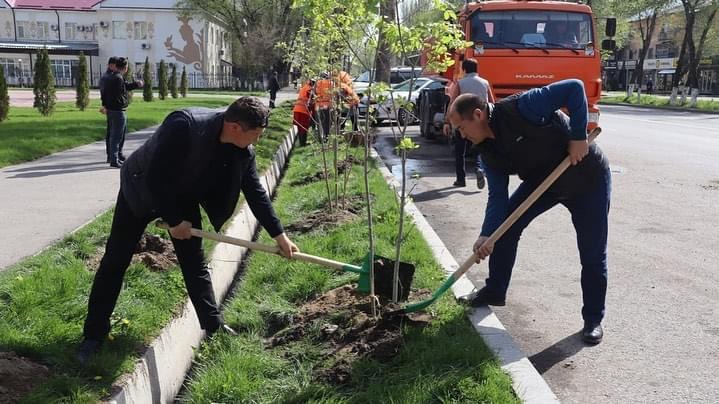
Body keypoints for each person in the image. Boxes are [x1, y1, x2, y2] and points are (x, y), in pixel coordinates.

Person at [77, 97, 300, 364]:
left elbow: (255, 192)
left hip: (183, 196)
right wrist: (174, 221)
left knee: (195, 265)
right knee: (115, 260)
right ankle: (93, 336)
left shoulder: (241, 150)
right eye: (257, 135)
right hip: (141, 188)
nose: (258, 141)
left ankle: (213, 326)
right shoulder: (184, 125)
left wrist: (280, 235)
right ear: (236, 128)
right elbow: (156, 177)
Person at [446, 79, 611, 345]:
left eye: (462, 128)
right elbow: (497, 197)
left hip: (586, 177)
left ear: (477, 115)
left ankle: (593, 319)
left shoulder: (523, 107)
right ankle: (495, 289)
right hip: (543, 184)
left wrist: (579, 136)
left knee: (592, 253)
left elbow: (574, 88)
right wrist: (487, 234)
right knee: (505, 229)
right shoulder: (487, 152)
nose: (462, 136)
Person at [444, 58, 494, 189]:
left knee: (460, 151)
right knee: (479, 149)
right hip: (480, 121)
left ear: (464, 69)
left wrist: (447, 121)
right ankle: (479, 169)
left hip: (463, 122)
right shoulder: (485, 82)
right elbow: (491, 102)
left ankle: (461, 179)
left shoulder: (461, 83)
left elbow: (453, 102)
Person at [104, 57, 143, 168]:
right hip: (118, 111)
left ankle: (116, 157)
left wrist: (136, 84)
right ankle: (114, 159)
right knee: (117, 136)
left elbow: (125, 87)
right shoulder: (118, 78)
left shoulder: (114, 77)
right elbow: (122, 91)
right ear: (125, 68)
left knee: (117, 135)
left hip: (113, 110)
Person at [99, 56, 117, 163]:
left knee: (114, 131)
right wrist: (105, 106)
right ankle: (110, 155)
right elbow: (104, 93)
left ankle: (114, 154)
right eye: (116, 65)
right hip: (110, 108)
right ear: (110, 65)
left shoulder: (113, 76)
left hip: (114, 107)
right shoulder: (106, 77)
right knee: (112, 132)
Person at [293, 79, 316, 146]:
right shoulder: (310, 90)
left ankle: (301, 143)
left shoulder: (305, 87)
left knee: (300, 128)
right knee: (304, 128)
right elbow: (311, 103)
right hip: (303, 111)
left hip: (297, 110)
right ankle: (303, 144)